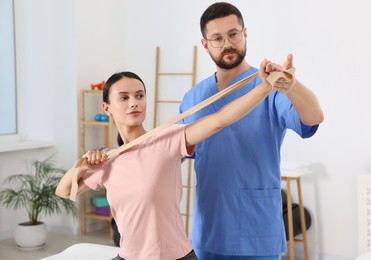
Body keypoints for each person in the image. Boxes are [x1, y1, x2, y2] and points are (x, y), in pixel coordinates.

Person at [56, 64, 283, 260]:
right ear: (106, 108)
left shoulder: (167, 139)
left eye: (139, 95)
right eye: (124, 98)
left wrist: (266, 87)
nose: (134, 102)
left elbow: (219, 120)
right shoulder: (108, 161)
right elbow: (64, 191)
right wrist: (82, 165)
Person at [179, 2, 324, 260]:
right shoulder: (193, 99)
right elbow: (173, 153)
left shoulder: (270, 88)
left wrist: (291, 86)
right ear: (205, 45)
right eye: (217, 38)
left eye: (234, 34)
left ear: (245, 34)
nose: (227, 44)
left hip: (257, 231)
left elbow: (314, 117)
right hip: (209, 228)